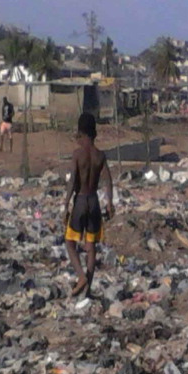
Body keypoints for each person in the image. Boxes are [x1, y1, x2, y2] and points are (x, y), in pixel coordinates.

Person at [64, 112, 114, 297]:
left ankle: (81, 276)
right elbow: (108, 181)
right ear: (95, 133)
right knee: (91, 246)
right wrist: (109, 203)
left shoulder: (77, 154)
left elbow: (72, 181)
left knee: (70, 243)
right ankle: (88, 290)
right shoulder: (100, 155)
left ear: (81, 133)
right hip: (94, 202)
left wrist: (66, 203)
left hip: (80, 200)